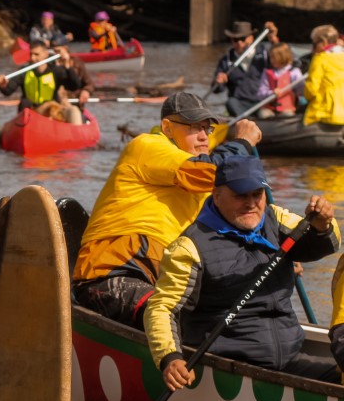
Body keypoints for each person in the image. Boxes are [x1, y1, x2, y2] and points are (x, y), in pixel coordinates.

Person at [145, 155, 340, 388]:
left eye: (257, 194)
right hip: (230, 367)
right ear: (217, 196)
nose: (251, 203)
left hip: (290, 359)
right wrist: (170, 358)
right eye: (240, 196)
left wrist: (323, 225)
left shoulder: (276, 220)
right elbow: (162, 308)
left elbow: (327, 246)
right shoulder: (189, 247)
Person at [72, 92, 262, 328]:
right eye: (194, 127)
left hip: (162, 284)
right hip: (111, 275)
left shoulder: (204, 189)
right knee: (170, 320)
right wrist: (242, 143)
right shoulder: (147, 146)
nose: (204, 136)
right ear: (167, 127)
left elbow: (238, 230)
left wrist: (274, 253)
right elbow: (213, 171)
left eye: (207, 128)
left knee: (235, 322)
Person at [0, 41, 83, 125]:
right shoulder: (24, 71)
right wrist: (3, 86)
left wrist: (68, 67)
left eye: (36, 54)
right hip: (30, 111)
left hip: (50, 111)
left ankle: (75, 131)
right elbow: (8, 91)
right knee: (25, 102)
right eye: (31, 54)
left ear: (46, 55)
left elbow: (74, 86)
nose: (32, 58)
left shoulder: (56, 71)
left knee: (73, 110)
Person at [210, 20, 280, 117]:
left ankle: (262, 120)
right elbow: (216, 90)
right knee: (231, 102)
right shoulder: (226, 60)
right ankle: (244, 121)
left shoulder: (264, 53)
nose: (239, 43)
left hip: (262, 102)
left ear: (251, 38)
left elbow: (285, 61)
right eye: (235, 40)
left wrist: (274, 40)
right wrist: (218, 82)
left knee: (265, 113)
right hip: (239, 104)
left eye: (242, 39)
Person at [303, 25, 344, 127]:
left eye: (314, 43)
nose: (313, 47)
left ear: (323, 42)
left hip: (326, 112)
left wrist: (306, 97)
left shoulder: (320, 59)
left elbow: (311, 89)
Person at [257, 43, 303, 118]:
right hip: (269, 109)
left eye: (273, 57)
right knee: (263, 114)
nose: (271, 60)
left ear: (282, 57)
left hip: (287, 109)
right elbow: (260, 94)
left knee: (288, 115)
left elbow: (301, 91)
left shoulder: (294, 72)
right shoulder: (267, 72)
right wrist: (271, 93)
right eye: (271, 57)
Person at [52, 34, 94, 109]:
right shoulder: (50, 65)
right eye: (53, 52)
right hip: (55, 103)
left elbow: (89, 83)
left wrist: (86, 91)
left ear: (65, 49)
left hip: (73, 101)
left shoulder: (77, 62)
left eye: (58, 51)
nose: (55, 54)